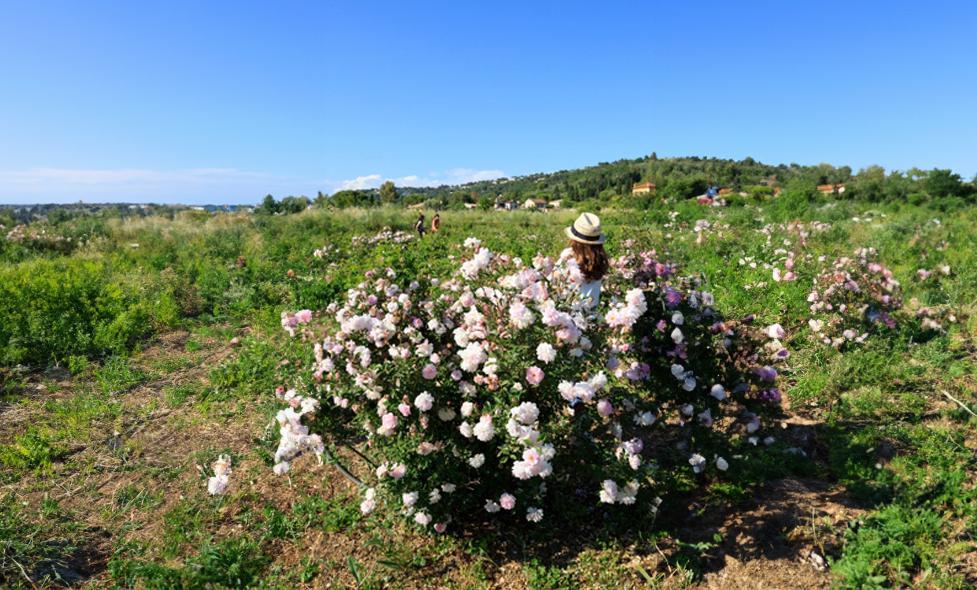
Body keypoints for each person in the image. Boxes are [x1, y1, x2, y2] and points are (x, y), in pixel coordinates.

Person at [564, 212, 609, 307]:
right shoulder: (599, 260)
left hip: (568, 315)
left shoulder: (568, 257)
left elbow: (555, 286)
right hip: (590, 316)